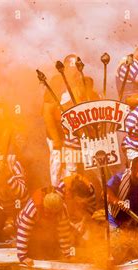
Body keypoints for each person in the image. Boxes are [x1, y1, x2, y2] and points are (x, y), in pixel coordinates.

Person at [42, 54, 100, 187]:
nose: (75, 71)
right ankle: (57, 193)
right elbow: (47, 112)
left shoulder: (82, 82)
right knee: (58, 165)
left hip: (74, 136)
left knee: (76, 168)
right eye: (72, 67)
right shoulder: (57, 82)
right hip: (57, 134)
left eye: (77, 67)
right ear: (65, 68)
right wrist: (56, 139)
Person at [16, 187, 75, 266]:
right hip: (26, 228)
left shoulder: (62, 210)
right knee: (35, 254)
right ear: (44, 206)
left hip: (46, 230)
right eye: (49, 212)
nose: (52, 215)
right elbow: (23, 232)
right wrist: (22, 257)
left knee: (51, 253)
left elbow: (64, 235)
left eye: (55, 213)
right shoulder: (33, 208)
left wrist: (69, 255)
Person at [0, 151, 29, 248]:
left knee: (26, 235)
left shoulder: (15, 165)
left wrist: (8, 176)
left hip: (19, 206)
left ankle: (14, 226)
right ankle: (8, 231)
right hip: (2, 206)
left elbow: (21, 193)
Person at [56, 174, 97, 244]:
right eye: (79, 200)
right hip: (65, 219)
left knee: (87, 240)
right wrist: (70, 225)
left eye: (84, 201)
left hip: (81, 219)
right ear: (74, 195)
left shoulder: (90, 190)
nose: (81, 202)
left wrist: (83, 223)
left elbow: (91, 208)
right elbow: (57, 212)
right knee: (67, 241)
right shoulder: (62, 188)